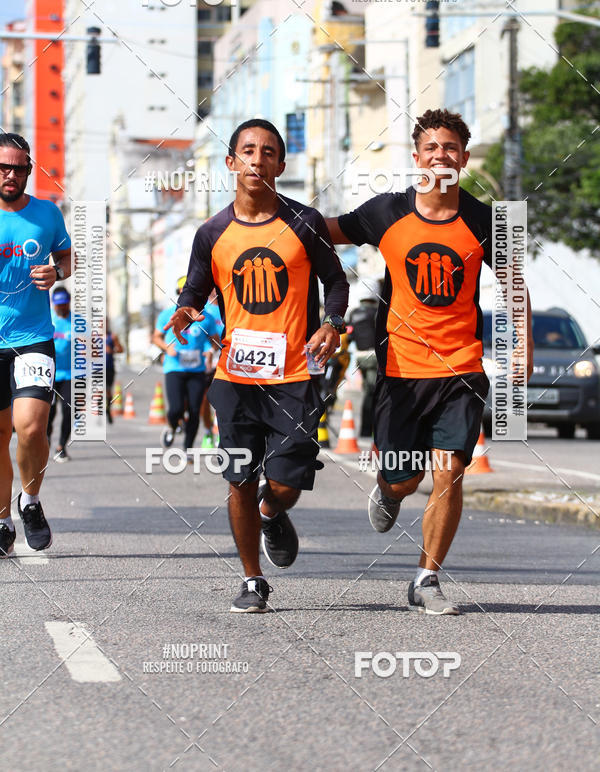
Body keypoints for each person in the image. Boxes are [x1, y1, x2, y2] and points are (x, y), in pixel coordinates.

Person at [327, 108, 533, 615]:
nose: (441, 155)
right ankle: (388, 490)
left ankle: (427, 578)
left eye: (451, 148)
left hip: (461, 368)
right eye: (431, 148)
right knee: (404, 479)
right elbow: (323, 232)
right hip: (399, 369)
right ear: (416, 156)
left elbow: (513, 284)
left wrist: (521, 347)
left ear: (463, 158)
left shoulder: (486, 219)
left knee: (450, 470)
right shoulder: (386, 212)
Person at [168, 118, 349, 613]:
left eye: (268, 152)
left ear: (280, 165)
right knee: (240, 479)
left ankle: (273, 511)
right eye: (248, 150)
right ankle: (252, 579)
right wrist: (187, 309)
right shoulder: (211, 232)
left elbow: (336, 281)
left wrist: (332, 322)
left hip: (293, 377)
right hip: (235, 377)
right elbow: (195, 288)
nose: (257, 159)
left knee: (285, 483)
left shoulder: (305, 222)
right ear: (231, 162)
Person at [0, 133, 72, 556]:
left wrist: (56, 273)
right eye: (3, 167)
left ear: (29, 170)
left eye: (18, 168)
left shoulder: (46, 213)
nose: (10, 175)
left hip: (32, 338)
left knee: (29, 427)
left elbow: (65, 256)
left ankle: (30, 500)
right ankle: (2, 520)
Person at [152, 278, 220, 455]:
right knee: (175, 408)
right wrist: (167, 347)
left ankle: (187, 449)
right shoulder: (167, 314)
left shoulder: (206, 317)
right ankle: (172, 425)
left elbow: (215, 341)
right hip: (174, 368)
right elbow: (156, 337)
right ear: (178, 294)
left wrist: (210, 351)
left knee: (195, 410)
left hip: (197, 370)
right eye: (184, 292)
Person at [347, 283, 379, 438]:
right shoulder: (376, 312)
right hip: (374, 357)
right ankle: (370, 429)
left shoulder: (354, 313)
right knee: (372, 392)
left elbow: (349, 334)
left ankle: (366, 429)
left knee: (368, 391)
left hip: (359, 357)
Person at [47, 287, 72, 462]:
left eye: (63, 304)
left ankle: (61, 446)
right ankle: (45, 438)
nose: (60, 308)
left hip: (71, 374)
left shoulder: (78, 322)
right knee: (49, 412)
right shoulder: (47, 319)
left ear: (68, 302)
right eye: (58, 305)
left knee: (68, 410)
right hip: (49, 373)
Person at [199, 289, 223, 447]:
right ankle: (208, 431)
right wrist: (209, 350)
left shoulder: (229, 304)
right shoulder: (204, 310)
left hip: (228, 356)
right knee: (204, 399)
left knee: (224, 398)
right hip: (207, 357)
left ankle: (223, 431)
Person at [105, 321, 124, 424]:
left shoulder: (112, 337)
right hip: (95, 369)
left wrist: (111, 351)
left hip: (109, 368)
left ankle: (107, 409)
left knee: (108, 391)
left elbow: (121, 349)